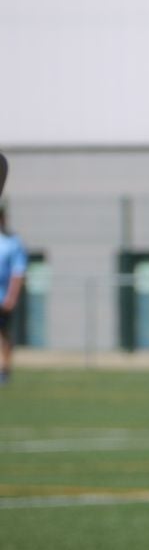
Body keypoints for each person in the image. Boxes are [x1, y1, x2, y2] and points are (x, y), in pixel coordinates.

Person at [0, 154, 29, 386]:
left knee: (4, 335)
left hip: (3, 297)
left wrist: (11, 296)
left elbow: (18, 271)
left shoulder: (12, 241)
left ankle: (5, 370)